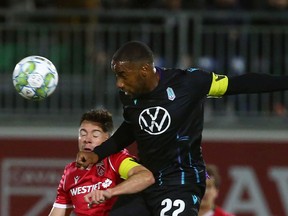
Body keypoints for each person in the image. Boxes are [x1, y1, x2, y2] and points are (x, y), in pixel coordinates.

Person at [76, 41, 288, 216]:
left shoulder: (189, 83)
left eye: (122, 75)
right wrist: (98, 154)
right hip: (146, 180)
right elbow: (132, 128)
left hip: (181, 182)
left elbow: (239, 84)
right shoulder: (129, 95)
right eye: (116, 76)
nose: (119, 84)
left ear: (143, 70)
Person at [48, 108, 155, 216]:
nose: (87, 139)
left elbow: (146, 177)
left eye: (95, 135)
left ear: (108, 139)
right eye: (83, 134)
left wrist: (110, 192)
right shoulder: (70, 172)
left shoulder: (116, 159)